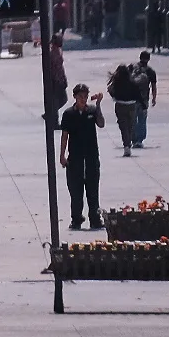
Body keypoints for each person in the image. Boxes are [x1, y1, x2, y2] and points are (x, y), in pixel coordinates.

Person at [59, 83, 105, 230]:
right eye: (80, 96)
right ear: (75, 97)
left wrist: (98, 105)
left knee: (93, 189)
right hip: (75, 158)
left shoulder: (91, 111)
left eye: (85, 96)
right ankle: (76, 219)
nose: (83, 99)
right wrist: (62, 155)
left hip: (91, 156)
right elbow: (64, 135)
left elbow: (101, 124)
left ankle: (95, 218)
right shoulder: (68, 114)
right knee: (76, 190)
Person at [107, 64, 140, 157]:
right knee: (130, 126)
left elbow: (110, 89)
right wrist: (142, 103)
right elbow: (137, 93)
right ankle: (128, 143)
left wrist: (114, 96)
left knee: (123, 126)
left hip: (120, 105)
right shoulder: (132, 82)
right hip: (132, 105)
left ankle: (126, 146)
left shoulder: (116, 82)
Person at [131, 50, 157, 148]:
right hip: (144, 99)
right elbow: (153, 86)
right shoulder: (150, 71)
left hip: (132, 99)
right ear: (148, 59)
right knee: (142, 119)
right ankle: (139, 139)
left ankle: (133, 139)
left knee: (133, 119)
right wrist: (154, 98)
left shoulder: (132, 68)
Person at [45, 33, 68, 125]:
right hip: (54, 80)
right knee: (56, 100)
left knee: (63, 99)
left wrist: (64, 78)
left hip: (60, 79)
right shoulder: (51, 53)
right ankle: (54, 120)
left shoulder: (58, 50)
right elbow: (52, 68)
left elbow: (60, 68)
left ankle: (49, 114)